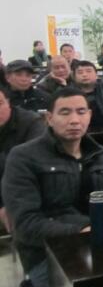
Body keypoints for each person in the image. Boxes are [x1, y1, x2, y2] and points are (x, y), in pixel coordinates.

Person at [1, 88, 103, 287]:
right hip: (47, 255)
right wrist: (81, 232)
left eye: (81, 112)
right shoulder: (23, 157)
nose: (74, 120)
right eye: (65, 112)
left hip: (102, 245)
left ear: (89, 115)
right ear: (49, 118)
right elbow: (25, 224)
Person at [0, 86, 45, 231]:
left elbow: (33, 168)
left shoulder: (31, 123)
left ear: (9, 103)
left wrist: (8, 204)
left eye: (0, 103)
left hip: (28, 195)